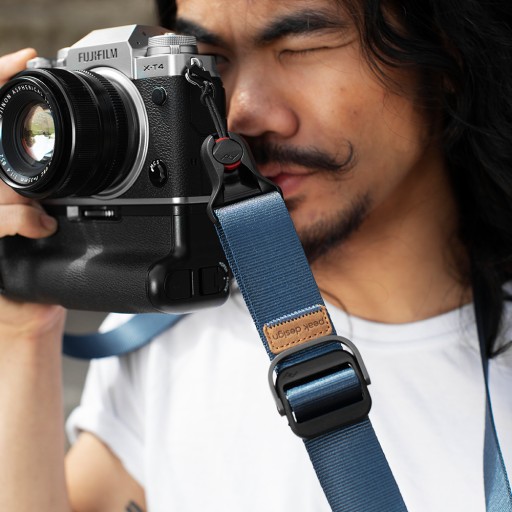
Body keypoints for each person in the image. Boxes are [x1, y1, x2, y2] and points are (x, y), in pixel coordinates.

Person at [0, 0, 511, 510]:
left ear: (448, 58)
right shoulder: (165, 331)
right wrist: (22, 327)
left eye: (302, 48)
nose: (241, 112)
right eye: (209, 60)